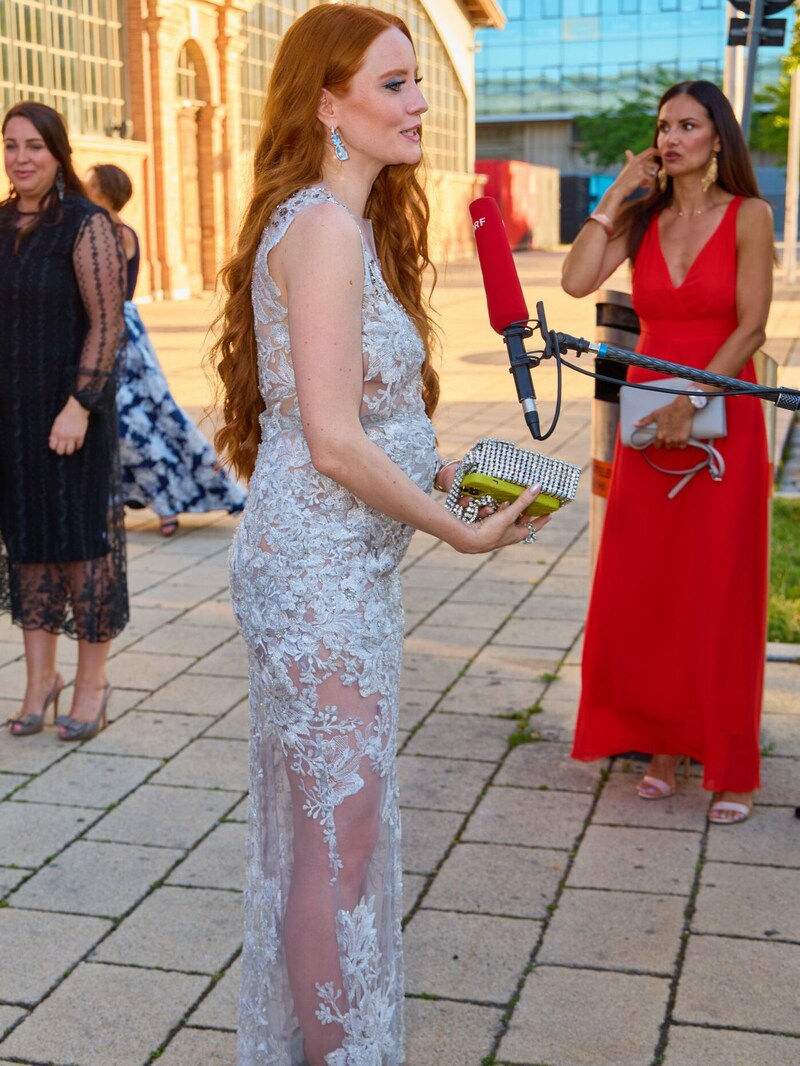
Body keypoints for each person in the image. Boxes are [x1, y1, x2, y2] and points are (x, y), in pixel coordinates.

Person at [209, 6, 552, 1063]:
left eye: (416, 83)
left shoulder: (343, 225)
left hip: (341, 564)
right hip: (315, 569)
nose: (416, 106)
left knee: (334, 833)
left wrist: (444, 464)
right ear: (328, 103)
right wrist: (453, 525)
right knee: (335, 840)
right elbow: (326, 439)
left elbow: (366, 418)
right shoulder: (316, 228)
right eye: (394, 84)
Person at [562, 81, 773, 826]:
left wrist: (698, 400)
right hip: (650, 416)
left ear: (720, 139)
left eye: (690, 124)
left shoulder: (750, 216)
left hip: (724, 409)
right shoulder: (643, 217)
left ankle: (730, 764)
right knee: (647, 585)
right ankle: (658, 747)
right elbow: (577, 277)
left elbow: (752, 326)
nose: (673, 136)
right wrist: (618, 191)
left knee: (719, 589)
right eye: (664, 126)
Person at [0, 102, 127, 740]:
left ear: (58, 154)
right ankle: (38, 682)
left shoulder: (86, 223)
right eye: (11, 146)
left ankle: (91, 686)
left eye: (34, 147)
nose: (21, 158)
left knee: (81, 550)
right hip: (12, 417)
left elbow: (107, 324)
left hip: (72, 412)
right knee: (26, 548)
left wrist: (81, 403)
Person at [84, 164, 247, 537]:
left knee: (139, 420)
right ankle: (125, 502)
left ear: (105, 193)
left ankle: (168, 499)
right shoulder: (101, 230)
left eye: (90, 185)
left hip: (121, 336)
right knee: (121, 422)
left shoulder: (114, 233)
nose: (84, 188)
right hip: (112, 331)